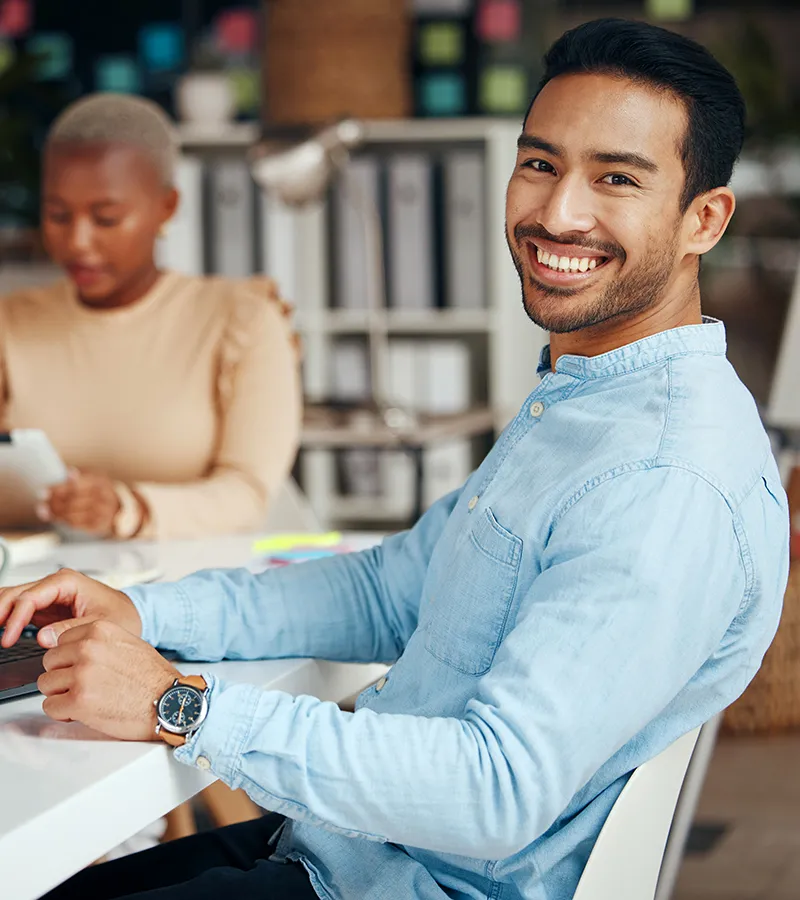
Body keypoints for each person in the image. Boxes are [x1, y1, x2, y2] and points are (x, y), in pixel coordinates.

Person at [0, 18, 790, 900]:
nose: (558, 212)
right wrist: (142, 611)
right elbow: (386, 591)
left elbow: (495, 789)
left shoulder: (662, 477)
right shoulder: (590, 404)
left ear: (704, 220)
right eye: (540, 163)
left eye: (617, 178)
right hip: (344, 848)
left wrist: (173, 704)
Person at [0, 94, 301, 540]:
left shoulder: (242, 322)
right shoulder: (11, 323)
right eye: (57, 215)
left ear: (167, 207)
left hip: (194, 575)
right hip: (39, 577)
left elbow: (248, 493)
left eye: (106, 218)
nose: (78, 241)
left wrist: (127, 509)